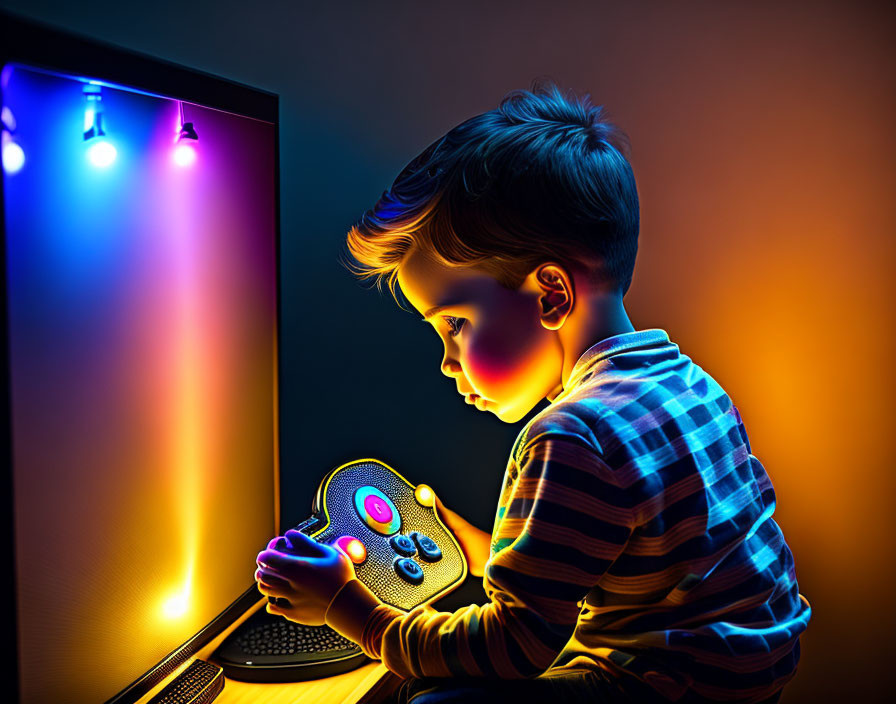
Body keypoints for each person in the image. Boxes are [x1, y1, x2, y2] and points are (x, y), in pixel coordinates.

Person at [254, 79, 811, 703]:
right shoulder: (688, 384)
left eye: (456, 324)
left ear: (551, 293)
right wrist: (479, 549)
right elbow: (618, 563)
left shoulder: (571, 436)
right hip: (750, 669)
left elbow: (512, 648)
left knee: (431, 699)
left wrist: (347, 607)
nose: (446, 362)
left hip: (667, 686)